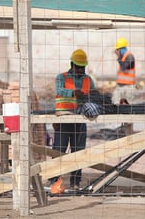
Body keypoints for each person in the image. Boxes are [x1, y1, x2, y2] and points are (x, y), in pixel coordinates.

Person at [50, 49, 96, 192]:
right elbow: (59, 91)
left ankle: (75, 182)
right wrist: (73, 92)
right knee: (58, 152)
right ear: (72, 65)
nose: (81, 70)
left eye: (83, 67)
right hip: (64, 120)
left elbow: (95, 95)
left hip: (80, 121)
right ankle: (54, 181)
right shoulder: (61, 77)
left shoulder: (88, 80)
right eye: (79, 67)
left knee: (78, 153)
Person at [112, 37, 136, 135]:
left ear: (121, 49)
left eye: (117, 50)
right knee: (115, 104)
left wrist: (118, 58)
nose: (116, 51)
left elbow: (125, 66)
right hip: (120, 87)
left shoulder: (129, 56)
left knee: (129, 110)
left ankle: (129, 133)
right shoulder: (123, 57)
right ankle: (122, 129)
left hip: (128, 88)